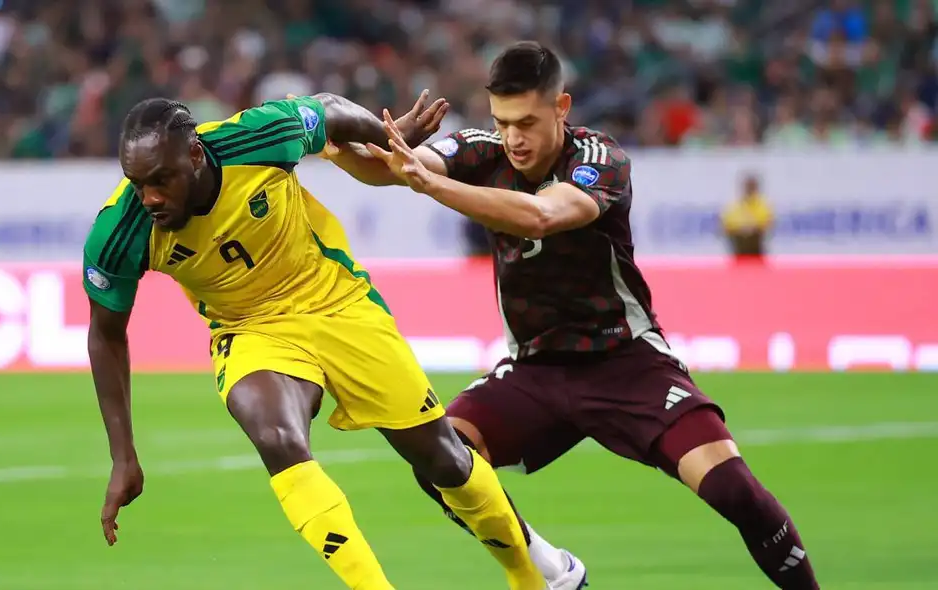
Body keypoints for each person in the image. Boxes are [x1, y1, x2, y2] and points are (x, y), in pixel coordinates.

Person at [322, 41, 821, 590]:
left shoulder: (599, 159)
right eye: (502, 121)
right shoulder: (485, 150)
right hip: (535, 371)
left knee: (734, 491)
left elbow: (542, 215)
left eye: (528, 122)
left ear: (561, 108)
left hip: (626, 363)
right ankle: (552, 569)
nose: (513, 137)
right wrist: (336, 135)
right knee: (441, 457)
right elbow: (385, 170)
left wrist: (431, 182)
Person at [83, 91, 550, 590]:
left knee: (443, 458)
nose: (149, 197)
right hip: (249, 329)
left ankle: (529, 578)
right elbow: (105, 336)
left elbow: (328, 110)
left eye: (161, 180)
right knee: (276, 438)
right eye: (138, 184)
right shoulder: (120, 232)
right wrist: (123, 456)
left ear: (195, 156)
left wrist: (390, 137)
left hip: (336, 302)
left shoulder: (258, 137)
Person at [721, 173, 774, 262]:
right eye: (747, 186)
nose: (749, 189)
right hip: (739, 249)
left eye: (751, 186)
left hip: (756, 249)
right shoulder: (735, 206)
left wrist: (749, 227)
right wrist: (742, 227)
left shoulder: (762, 205)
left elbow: (766, 222)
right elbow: (727, 224)